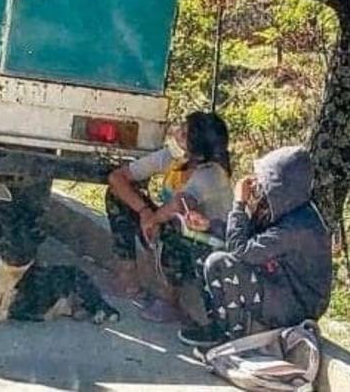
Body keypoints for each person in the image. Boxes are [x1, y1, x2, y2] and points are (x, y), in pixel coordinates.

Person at [177, 146, 333, 348]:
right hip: (280, 283)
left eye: (264, 180)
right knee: (204, 253)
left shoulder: (299, 226)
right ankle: (218, 326)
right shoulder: (284, 208)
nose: (259, 184)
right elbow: (249, 240)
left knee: (221, 262)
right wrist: (210, 226)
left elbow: (239, 251)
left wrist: (239, 204)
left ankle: (236, 341)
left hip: (297, 304)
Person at [105, 111, 232, 323]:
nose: (176, 134)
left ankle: (169, 299)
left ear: (198, 151)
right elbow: (118, 178)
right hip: (166, 230)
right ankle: (128, 278)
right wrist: (144, 212)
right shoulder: (173, 158)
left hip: (203, 249)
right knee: (118, 196)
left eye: (183, 134)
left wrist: (153, 219)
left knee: (177, 222)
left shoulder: (211, 174)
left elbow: (180, 205)